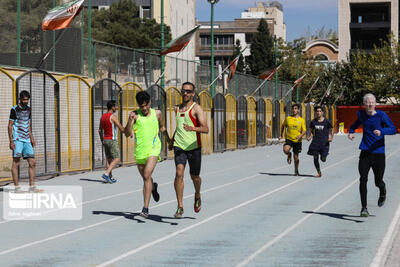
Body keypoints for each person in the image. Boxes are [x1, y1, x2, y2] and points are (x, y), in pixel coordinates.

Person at [348, 93, 396, 217]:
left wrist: (382, 131)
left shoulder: (381, 115)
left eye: (372, 102)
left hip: (379, 153)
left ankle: (382, 190)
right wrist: (351, 132)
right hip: (365, 152)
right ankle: (364, 208)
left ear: (375, 104)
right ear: (364, 104)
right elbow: (354, 125)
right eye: (367, 102)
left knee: (378, 181)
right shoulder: (361, 115)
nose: (370, 104)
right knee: (363, 179)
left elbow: (393, 129)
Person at [124, 91, 170, 218]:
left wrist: (169, 140)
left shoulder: (157, 113)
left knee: (146, 175)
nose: (144, 108)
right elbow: (127, 133)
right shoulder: (135, 116)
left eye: (146, 105)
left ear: (149, 102)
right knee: (147, 179)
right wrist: (130, 120)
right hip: (140, 152)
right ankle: (153, 188)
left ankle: (145, 208)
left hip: (154, 149)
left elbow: (162, 128)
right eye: (141, 106)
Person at [169, 82, 209, 218]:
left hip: (194, 147)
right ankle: (180, 206)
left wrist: (193, 128)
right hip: (179, 146)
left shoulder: (196, 108)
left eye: (188, 91)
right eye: (183, 91)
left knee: (195, 177)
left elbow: (205, 128)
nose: (185, 93)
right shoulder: (177, 109)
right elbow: (179, 128)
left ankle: (197, 194)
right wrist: (172, 140)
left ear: (193, 93)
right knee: (178, 173)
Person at [8, 90, 42, 193]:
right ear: (20, 99)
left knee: (32, 162)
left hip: (27, 139)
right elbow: (10, 125)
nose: (26, 101)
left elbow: (28, 124)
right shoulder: (14, 109)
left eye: (27, 99)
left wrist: (31, 137)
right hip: (17, 139)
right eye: (24, 99)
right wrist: (11, 141)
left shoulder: (29, 109)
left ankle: (32, 187)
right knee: (16, 163)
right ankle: (17, 187)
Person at [99, 100, 125, 183]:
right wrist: (128, 132)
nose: (116, 107)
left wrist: (102, 139)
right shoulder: (113, 117)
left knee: (109, 159)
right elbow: (121, 128)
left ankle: (110, 177)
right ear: (112, 107)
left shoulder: (102, 116)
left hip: (105, 140)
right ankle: (106, 174)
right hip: (112, 140)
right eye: (115, 106)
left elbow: (99, 130)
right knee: (117, 159)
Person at [280, 103, 306, 176]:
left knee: (296, 159)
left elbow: (304, 130)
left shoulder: (301, 120)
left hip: (297, 141)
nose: (294, 110)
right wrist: (281, 135)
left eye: (295, 109)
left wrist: (300, 135)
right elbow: (283, 126)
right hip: (289, 139)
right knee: (286, 150)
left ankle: (296, 170)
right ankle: (289, 154)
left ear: (298, 110)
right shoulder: (288, 118)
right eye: (293, 109)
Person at [307, 106, 334, 177]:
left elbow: (332, 129)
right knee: (315, 157)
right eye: (317, 111)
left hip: (324, 143)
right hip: (315, 142)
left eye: (320, 111)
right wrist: (310, 136)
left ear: (322, 112)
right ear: (315, 112)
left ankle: (324, 156)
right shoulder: (313, 122)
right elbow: (312, 131)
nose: (318, 112)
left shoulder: (326, 121)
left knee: (323, 159)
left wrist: (331, 137)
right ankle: (319, 172)